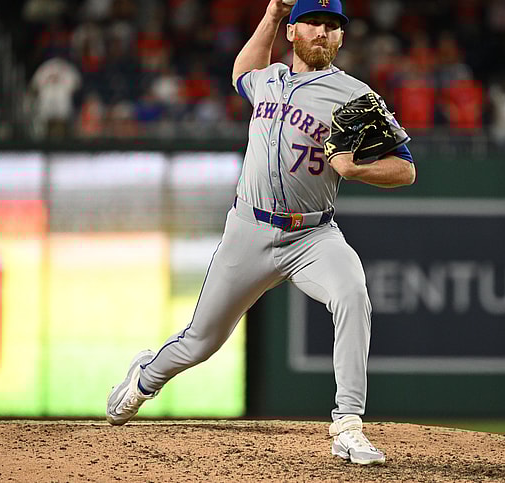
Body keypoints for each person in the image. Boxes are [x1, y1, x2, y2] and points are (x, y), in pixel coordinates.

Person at [105, 0, 415, 466]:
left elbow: (406, 169)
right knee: (201, 342)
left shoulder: (355, 95)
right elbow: (240, 75)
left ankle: (348, 426)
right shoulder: (268, 79)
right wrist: (271, 13)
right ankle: (146, 377)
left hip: (312, 235)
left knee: (352, 294)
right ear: (293, 32)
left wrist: (355, 167)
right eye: (313, 23)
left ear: (342, 37)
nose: (323, 33)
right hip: (249, 229)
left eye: (333, 26)